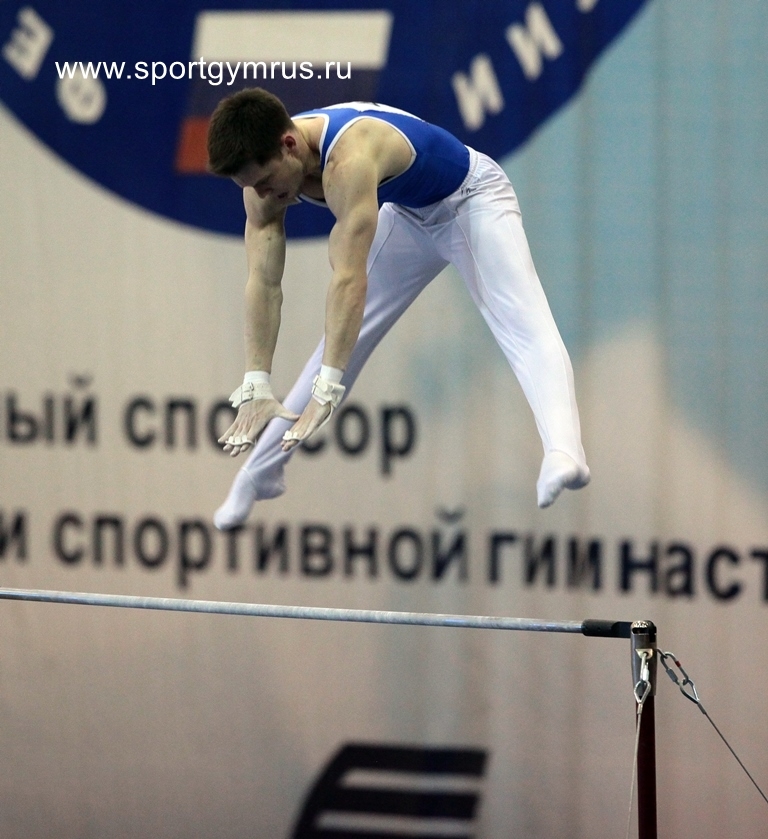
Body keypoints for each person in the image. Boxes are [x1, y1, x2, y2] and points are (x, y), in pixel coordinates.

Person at [207, 87, 590, 530]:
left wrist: (328, 388)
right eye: (250, 187)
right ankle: (259, 473)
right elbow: (263, 284)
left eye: (264, 180)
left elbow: (348, 279)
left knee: (523, 324)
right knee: (333, 347)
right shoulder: (261, 187)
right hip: (408, 216)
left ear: (288, 144)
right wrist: (256, 379)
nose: (261, 194)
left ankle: (564, 452)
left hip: (472, 200)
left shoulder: (350, 160)